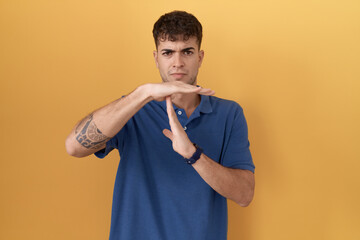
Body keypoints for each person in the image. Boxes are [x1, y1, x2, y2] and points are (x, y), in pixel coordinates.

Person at [65, 10, 255, 240]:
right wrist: (142, 94)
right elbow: (74, 147)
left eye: (187, 52)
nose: (177, 63)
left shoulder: (229, 113)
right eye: (168, 53)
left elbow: (244, 195)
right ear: (156, 58)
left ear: (200, 57)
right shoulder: (132, 109)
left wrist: (193, 154)